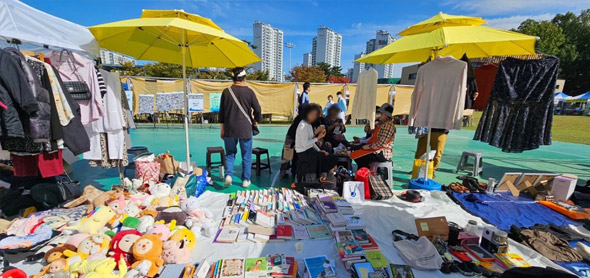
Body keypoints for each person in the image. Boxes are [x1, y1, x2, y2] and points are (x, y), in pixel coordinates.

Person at [219, 67, 262, 188]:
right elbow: (258, 109)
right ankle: (245, 180)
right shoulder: (249, 92)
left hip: (229, 128)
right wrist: (256, 121)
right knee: (246, 155)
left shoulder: (226, 91)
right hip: (245, 128)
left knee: (230, 154)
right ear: (244, 78)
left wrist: (222, 129)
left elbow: (222, 112)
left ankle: (229, 175)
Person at [295, 104, 337, 182]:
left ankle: (325, 178)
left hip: (309, 150)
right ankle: (321, 179)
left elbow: (311, 140)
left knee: (329, 156)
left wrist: (318, 150)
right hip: (303, 153)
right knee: (325, 159)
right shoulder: (303, 125)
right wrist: (318, 138)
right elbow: (305, 144)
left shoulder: (308, 124)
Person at [350, 103, 396, 169]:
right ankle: (364, 172)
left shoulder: (388, 125)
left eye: (381, 113)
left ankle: (365, 173)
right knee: (355, 150)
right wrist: (372, 120)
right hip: (375, 149)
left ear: (386, 115)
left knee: (359, 156)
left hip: (382, 152)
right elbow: (367, 130)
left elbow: (381, 143)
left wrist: (368, 147)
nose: (379, 114)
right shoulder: (380, 123)